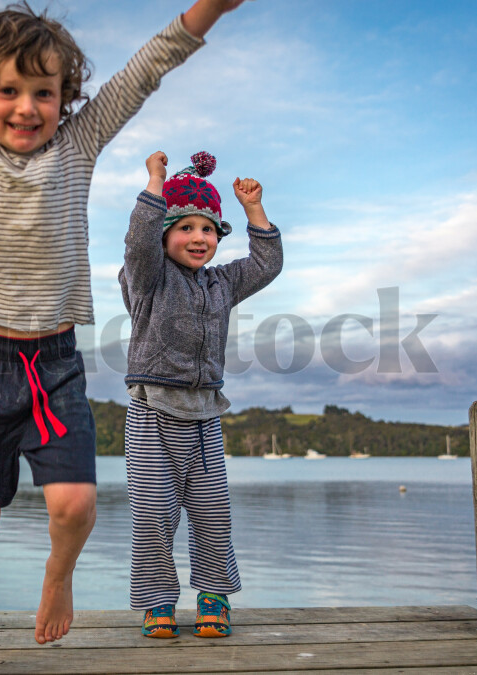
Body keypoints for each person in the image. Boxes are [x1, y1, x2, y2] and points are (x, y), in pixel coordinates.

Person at [0, 1, 249, 672]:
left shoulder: (78, 144)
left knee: (76, 505)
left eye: (44, 92)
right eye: (7, 90)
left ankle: (58, 574)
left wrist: (207, 10)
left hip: (54, 360)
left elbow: (143, 72)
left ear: (65, 100)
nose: (27, 107)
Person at [118, 150, 283, 638]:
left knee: (213, 517)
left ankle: (213, 595)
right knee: (153, 518)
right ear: (165, 233)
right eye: (186, 228)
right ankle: (157, 603)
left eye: (208, 229)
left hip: (205, 418)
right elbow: (137, 244)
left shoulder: (221, 284)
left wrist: (253, 209)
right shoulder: (147, 278)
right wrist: (154, 183)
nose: (199, 238)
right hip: (152, 414)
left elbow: (266, 264)